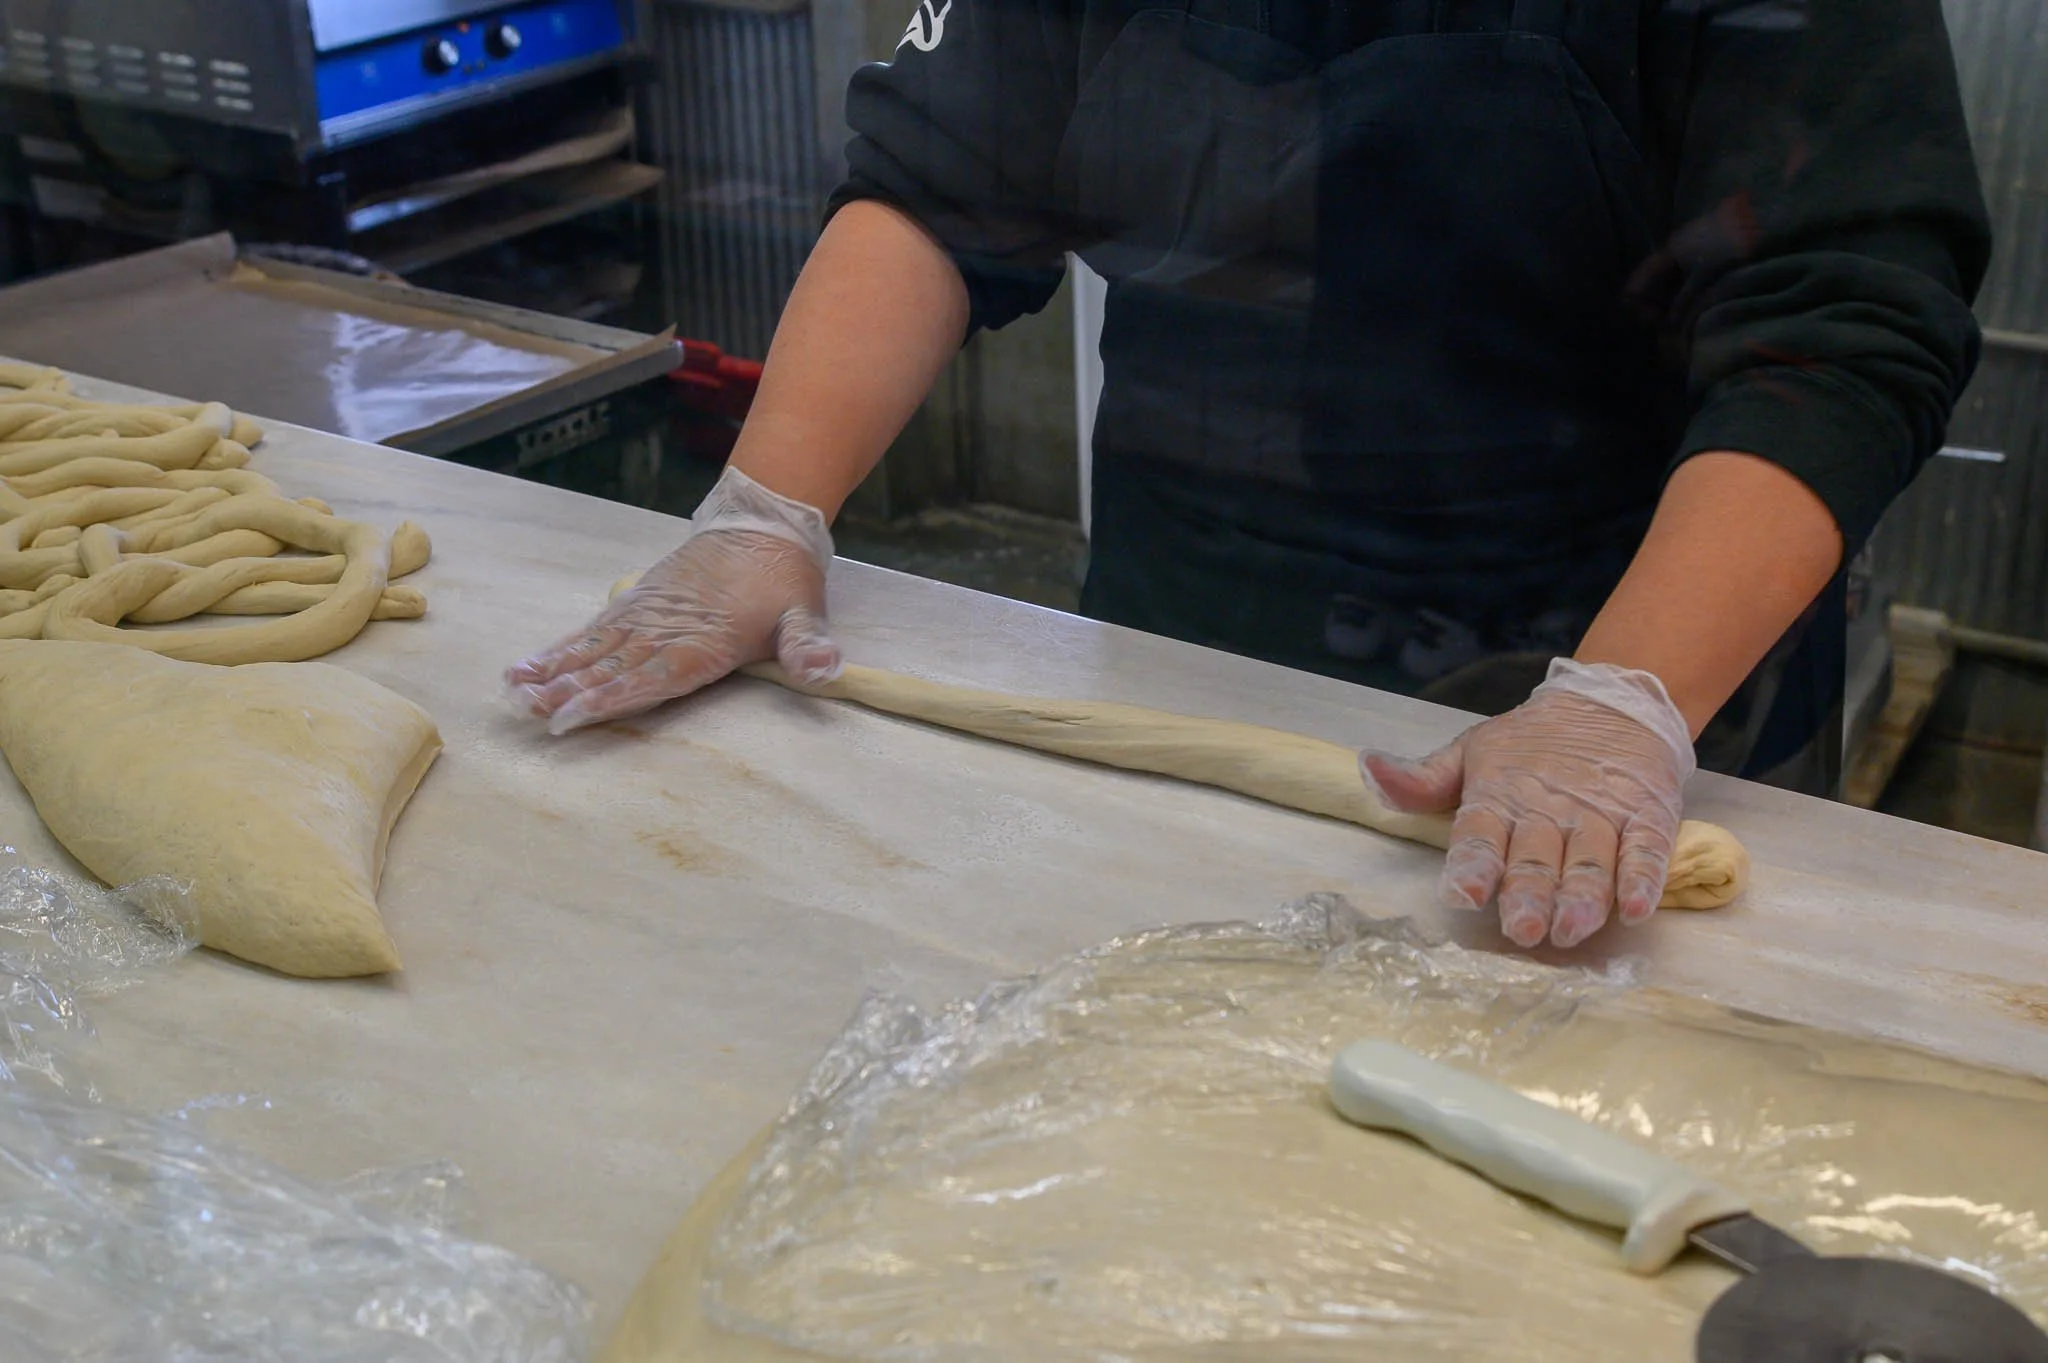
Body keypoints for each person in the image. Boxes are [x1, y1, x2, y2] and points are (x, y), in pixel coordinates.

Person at [509, 0, 1990, 950]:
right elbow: (934, 185)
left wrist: (1620, 707)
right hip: (1190, 613)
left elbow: (1842, 320)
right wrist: (765, 511)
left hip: (1639, 636)